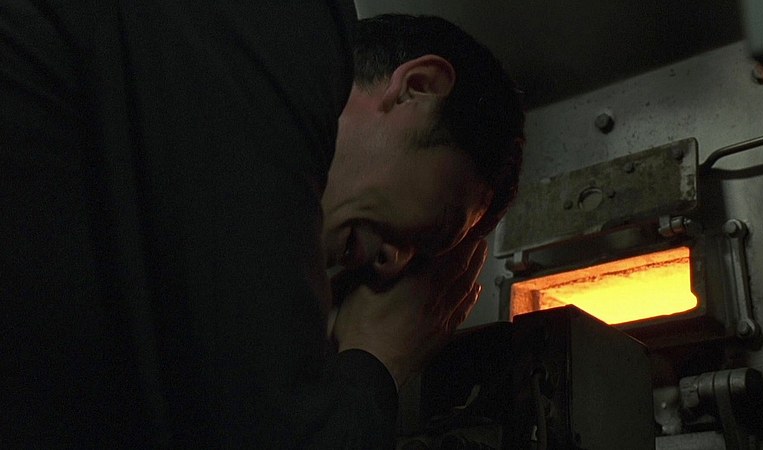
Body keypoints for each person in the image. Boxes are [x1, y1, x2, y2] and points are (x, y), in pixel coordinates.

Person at [1, 2, 523, 448]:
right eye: (433, 230)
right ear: (418, 89)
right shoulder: (279, 22)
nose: (393, 265)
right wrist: (378, 359)